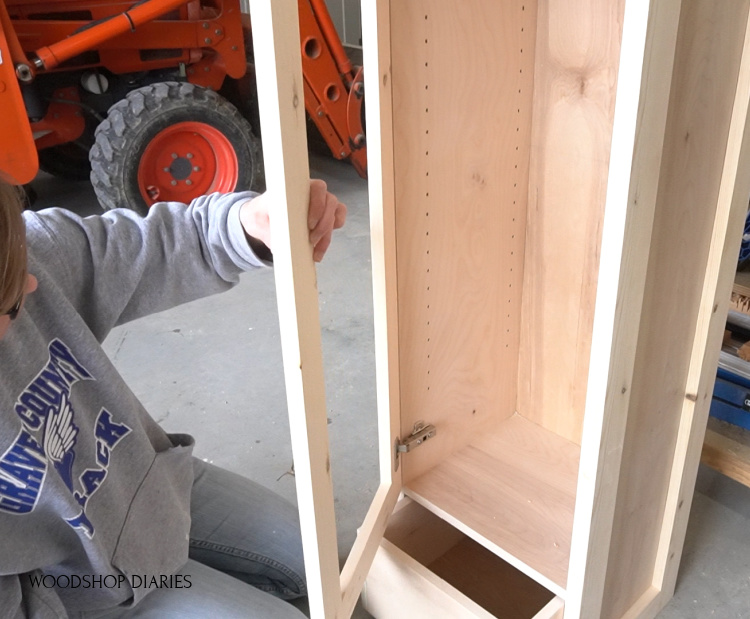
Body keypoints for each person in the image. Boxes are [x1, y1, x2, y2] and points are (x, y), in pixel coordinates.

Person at [0, 178, 347, 618]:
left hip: (148, 484)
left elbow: (151, 245)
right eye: (9, 301)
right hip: (78, 584)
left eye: (17, 260)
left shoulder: (27, 251)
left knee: (335, 559)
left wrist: (247, 223)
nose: (30, 284)